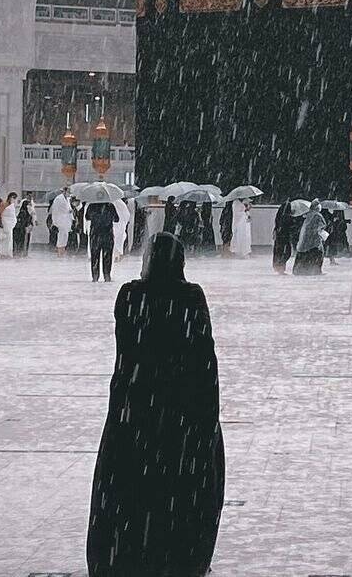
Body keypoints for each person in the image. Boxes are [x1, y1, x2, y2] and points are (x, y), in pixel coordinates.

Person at [86, 232, 224, 577]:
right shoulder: (191, 297)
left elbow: (128, 347)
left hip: (136, 408)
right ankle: (177, 554)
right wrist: (207, 412)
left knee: (131, 487)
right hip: (181, 410)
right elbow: (204, 356)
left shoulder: (130, 296)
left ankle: (128, 553)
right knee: (180, 487)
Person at [86, 202, 119, 282]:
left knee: (95, 256)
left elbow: (87, 217)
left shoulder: (92, 205)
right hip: (107, 234)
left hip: (95, 235)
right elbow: (116, 219)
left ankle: (95, 276)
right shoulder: (110, 206)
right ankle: (107, 275)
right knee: (107, 256)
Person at [293, 199, 327, 275]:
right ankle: (316, 270)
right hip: (314, 240)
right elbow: (322, 226)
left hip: (304, 240)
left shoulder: (308, 215)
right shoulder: (317, 215)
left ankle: (301, 270)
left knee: (305, 254)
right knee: (319, 253)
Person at [272, 198, 294, 273]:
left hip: (280, 233)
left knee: (279, 250)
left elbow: (277, 220)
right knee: (286, 251)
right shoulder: (288, 213)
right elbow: (289, 223)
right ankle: (280, 266)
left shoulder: (282, 209)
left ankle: (278, 266)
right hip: (284, 234)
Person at [50, 190, 74, 257]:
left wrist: (71, 215)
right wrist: (55, 221)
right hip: (60, 220)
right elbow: (55, 210)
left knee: (65, 236)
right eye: (68, 192)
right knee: (61, 236)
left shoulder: (68, 199)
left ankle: (63, 250)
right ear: (64, 192)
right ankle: (59, 252)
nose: (69, 194)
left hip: (67, 220)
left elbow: (69, 208)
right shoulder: (58, 199)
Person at [0, 192, 18, 259]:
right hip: (4, 223)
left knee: (9, 239)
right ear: (10, 197)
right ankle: (2, 253)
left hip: (10, 224)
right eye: (13, 198)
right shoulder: (4, 204)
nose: (14, 199)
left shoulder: (12, 205)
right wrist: (0, 223)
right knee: (4, 238)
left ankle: (8, 253)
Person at [112, 197, 131, 262]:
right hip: (120, 225)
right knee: (120, 240)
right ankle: (118, 255)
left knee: (114, 240)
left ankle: (115, 255)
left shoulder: (110, 203)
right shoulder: (121, 203)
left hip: (113, 224)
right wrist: (125, 222)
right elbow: (127, 214)